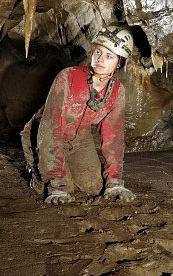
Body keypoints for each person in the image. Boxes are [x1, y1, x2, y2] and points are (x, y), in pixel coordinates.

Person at [21, 26, 136, 204]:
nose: (100, 59)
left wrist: (114, 181)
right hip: (42, 135)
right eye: (98, 52)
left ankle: (61, 172)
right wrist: (56, 184)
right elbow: (51, 127)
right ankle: (34, 170)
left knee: (94, 186)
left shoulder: (116, 91)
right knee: (62, 187)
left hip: (79, 138)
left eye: (109, 56)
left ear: (119, 62)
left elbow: (113, 136)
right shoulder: (68, 77)